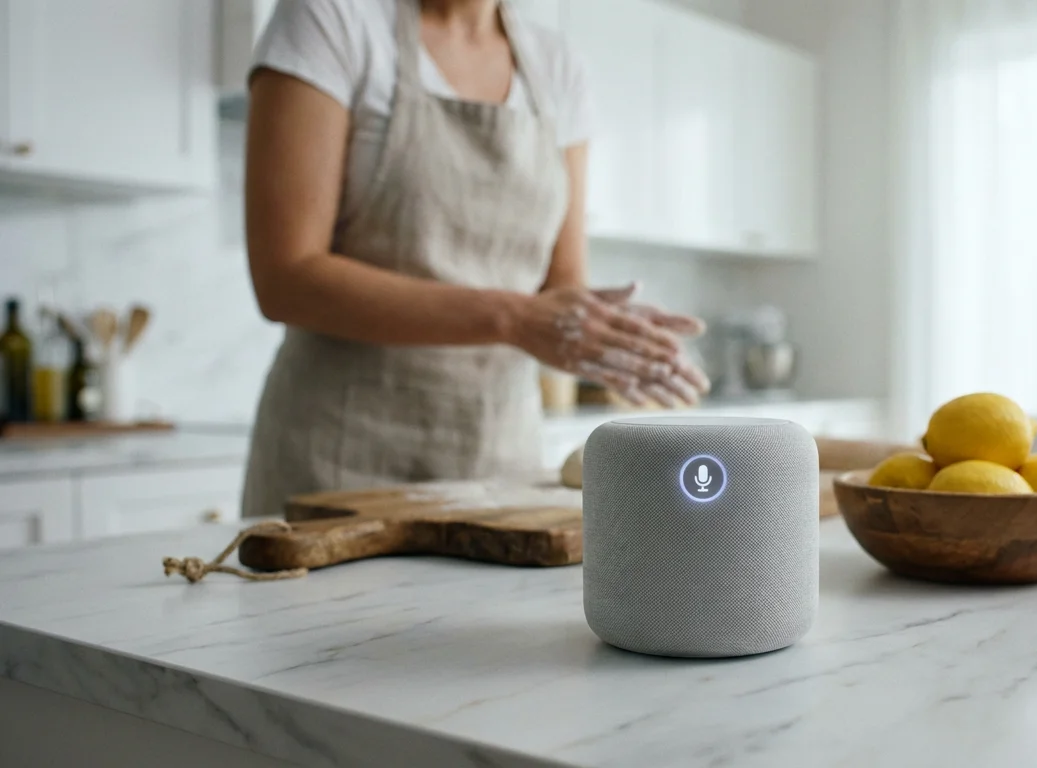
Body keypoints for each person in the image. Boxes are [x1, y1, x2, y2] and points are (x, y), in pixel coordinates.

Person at [240, 0, 709, 518]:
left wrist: (605, 330)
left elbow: (562, 284)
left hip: (497, 464)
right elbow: (286, 277)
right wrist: (513, 318)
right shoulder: (333, 20)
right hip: (337, 460)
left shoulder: (556, 66)